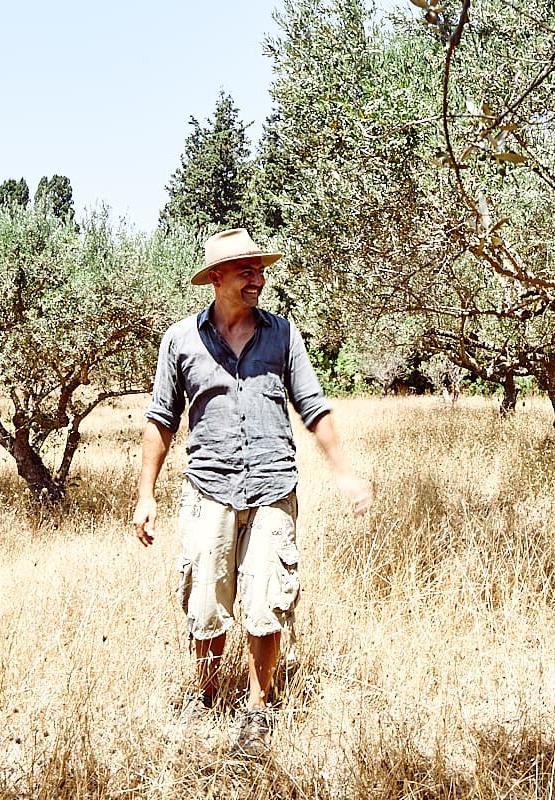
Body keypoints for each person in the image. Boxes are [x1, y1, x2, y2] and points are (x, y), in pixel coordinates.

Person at [131, 227, 373, 757]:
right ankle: (207, 692)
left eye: (260, 271)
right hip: (208, 488)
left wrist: (343, 471)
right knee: (206, 601)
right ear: (215, 278)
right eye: (247, 272)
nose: (258, 280)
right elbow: (160, 418)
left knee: (267, 602)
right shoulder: (181, 341)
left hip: (272, 488)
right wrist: (146, 493)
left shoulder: (282, 335)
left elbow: (313, 406)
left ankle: (260, 707)